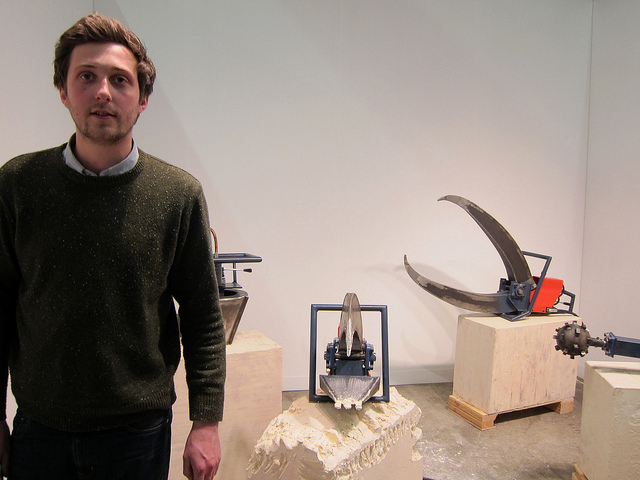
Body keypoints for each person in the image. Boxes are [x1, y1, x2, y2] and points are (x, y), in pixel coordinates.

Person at [0, 13, 226, 480]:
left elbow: (203, 314)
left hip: (137, 435)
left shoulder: (176, 195)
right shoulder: (18, 185)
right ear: (64, 91)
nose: (103, 91)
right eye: (87, 76)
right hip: (39, 430)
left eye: (120, 80)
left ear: (141, 100)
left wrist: (206, 422)